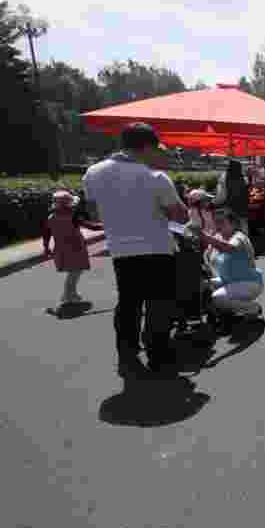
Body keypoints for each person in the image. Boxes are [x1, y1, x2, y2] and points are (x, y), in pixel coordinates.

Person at [83, 122, 189, 377]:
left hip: (120, 250)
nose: (157, 154)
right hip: (157, 248)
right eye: (156, 149)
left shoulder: (93, 173)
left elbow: (94, 212)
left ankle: (127, 354)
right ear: (146, 147)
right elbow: (181, 216)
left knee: (128, 303)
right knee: (158, 304)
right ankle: (158, 354)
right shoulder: (155, 176)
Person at [192, 208, 264, 324]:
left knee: (217, 298)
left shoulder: (239, 237)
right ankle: (224, 312)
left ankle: (253, 308)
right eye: (216, 222)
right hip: (229, 280)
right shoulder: (218, 237)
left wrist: (204, 236)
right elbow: (206, 257)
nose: (218, 225)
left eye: (222, 222)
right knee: (202, 284)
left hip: (249, 283)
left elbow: (229, 248)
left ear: (233, 224)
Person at [42, 190, 103, 309]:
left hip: (61, 249)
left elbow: (46, 234)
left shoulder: (51, 218)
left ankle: (72, 293)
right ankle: (67, 295)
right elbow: (93, 227)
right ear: (69, 204)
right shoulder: (73, 217)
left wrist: (46, 248)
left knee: (73, 272)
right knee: (75, 272)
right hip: (76, 247)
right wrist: (108, 226)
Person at [214, 160, 249, 234]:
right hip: (242, 208)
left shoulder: (224, 177)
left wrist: (213, 203)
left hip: (230, 209)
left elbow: (221, 196)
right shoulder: (244, 178)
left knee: (231, 231)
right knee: (243, 230)